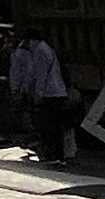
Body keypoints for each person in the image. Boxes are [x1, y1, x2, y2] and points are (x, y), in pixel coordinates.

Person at [7, 22, 73, 162]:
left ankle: (53, 154)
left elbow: (40, 76)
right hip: (56, 93)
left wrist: (37, 94)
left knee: (48, 126)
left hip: (50, 94)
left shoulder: (40, 52)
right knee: (53, 126)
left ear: (31, 40)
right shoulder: (45, 49)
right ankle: (56, 154)